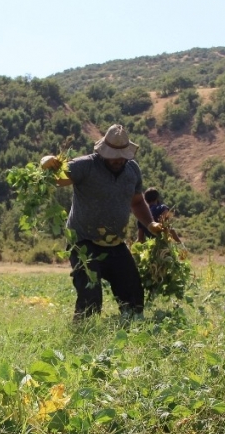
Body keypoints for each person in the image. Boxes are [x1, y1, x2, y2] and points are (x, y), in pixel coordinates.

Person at [41, 124, 164, 320]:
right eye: (113, 155)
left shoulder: (132, 170)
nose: (118, 160)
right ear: (103, 151)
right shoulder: (85, 166)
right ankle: (83, 336)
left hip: (115, 244)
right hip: (83, 241)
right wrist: (47, 163)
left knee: (133, 295)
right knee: (90, 297)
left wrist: (150, 224)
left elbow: (137, 201)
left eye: (122, 155)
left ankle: (131, 329)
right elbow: (56, 179)